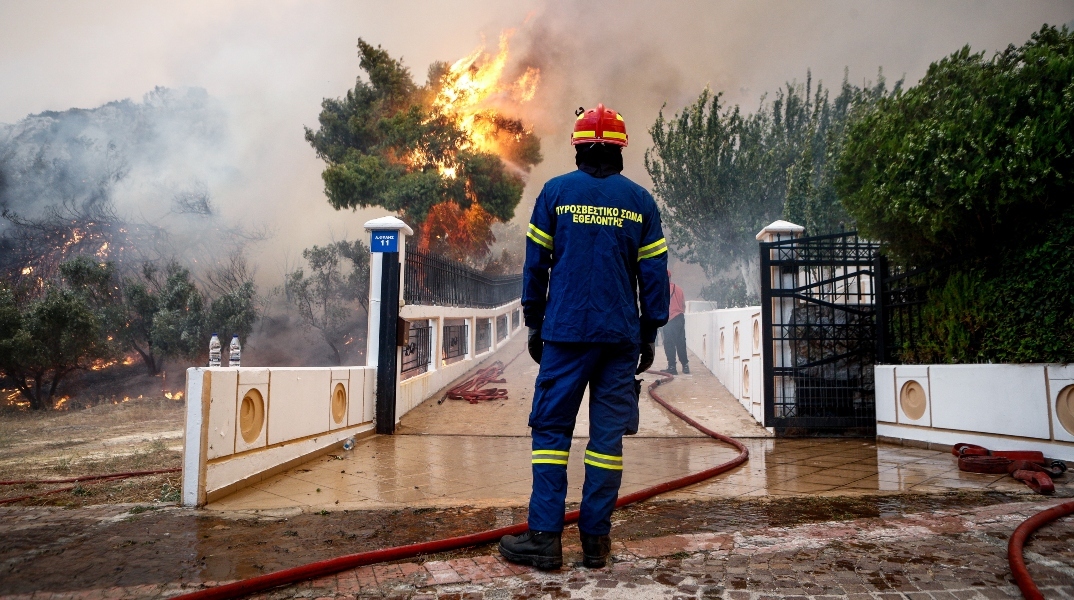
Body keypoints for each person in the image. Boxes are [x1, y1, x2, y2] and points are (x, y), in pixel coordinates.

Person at [498, 103, 670, 570]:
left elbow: (536, 265)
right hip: (619, 340)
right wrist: (649, 330)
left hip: (566, 334)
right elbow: (653, 275)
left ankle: (545, 540)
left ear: (577, 147)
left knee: (552, 433)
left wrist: (534, 321)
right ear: (620, 150)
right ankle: (596, 543)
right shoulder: (640, 202)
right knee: (607, 442)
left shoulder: (555, 193)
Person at [662, 272, 689, 374]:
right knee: (681, 342)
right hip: (680, 318)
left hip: (669, 319)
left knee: (669, 343)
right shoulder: (679, 289)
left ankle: (672, 367)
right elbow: (683, 305)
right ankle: (685, 366)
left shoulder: (662, 290)